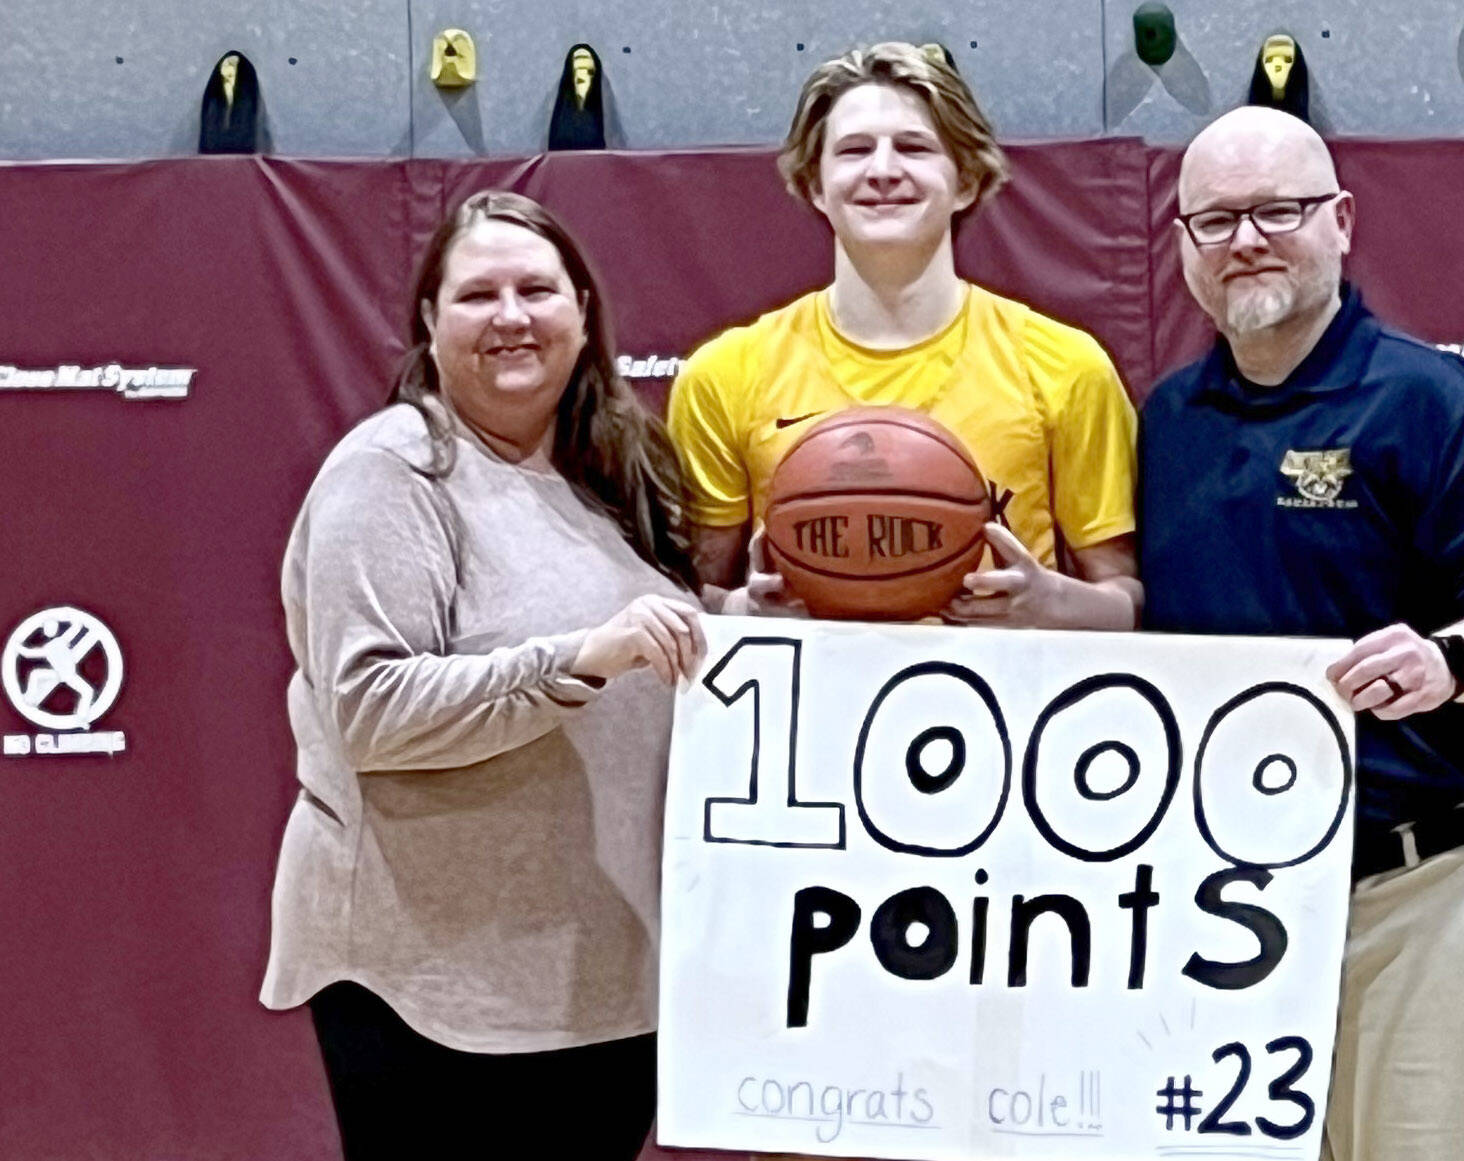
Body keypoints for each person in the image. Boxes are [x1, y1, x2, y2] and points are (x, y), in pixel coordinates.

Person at [1139, 106, 1464, 1161]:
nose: (1246, 240)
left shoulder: (1428, 402)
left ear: (1339, 220)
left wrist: (1449, 659)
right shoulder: (1169, 420)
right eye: (1215, 220)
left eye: (1276, 211)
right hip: (1229, 902)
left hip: (1424, 890)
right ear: (1184, 243)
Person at [260, 191, 705, 1160]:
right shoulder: (391, 472)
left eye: (538, 289)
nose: (511, 315)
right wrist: (579, 658)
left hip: (600, 979)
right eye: (477, 295)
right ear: (429, 322)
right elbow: (372, 713)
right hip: (432, 982)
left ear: (583, 313)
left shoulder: (611, 472)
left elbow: (669, 650)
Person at [667, 42, 1141, 630]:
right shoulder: (725, 373)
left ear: (966, 181)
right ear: (815, 185)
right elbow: (692, 594)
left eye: (914, 147)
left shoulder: (1066, 364)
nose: (883, 170)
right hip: (811, 706)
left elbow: (1125, 600)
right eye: (854, 150)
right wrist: (745, 607)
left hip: (1002, 707)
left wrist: (1050, 603)